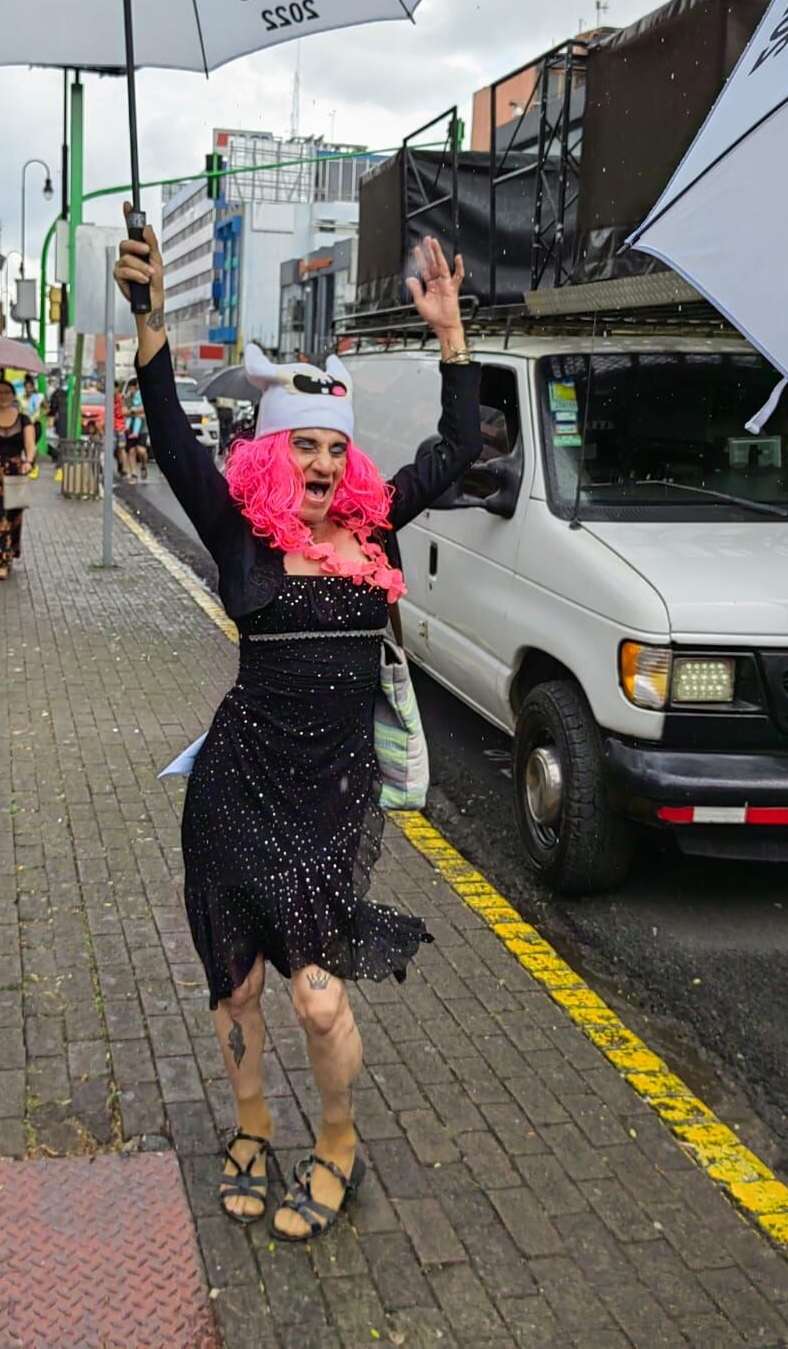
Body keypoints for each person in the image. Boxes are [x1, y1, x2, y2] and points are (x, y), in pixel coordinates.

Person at [115, 215, 481, 1243]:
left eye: (335, 447)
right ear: (274, 456)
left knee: (319, 998)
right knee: (236, 988)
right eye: (303, 446)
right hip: (233, 792)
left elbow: (458, 445)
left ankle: (336, 1138)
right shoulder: (239, 538)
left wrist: (451, 331)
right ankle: (250, 1119)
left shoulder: (371, 529)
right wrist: (147, 315)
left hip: (327, 800)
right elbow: (171, 432)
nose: (322, 462)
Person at [0, 379, 36, 580]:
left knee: (14, 516)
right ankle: (2, 559)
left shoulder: (23, 419)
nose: (3, 396)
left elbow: (30, 445)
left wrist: (29, 461)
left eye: (7, 392)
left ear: (13, 395)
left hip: (16, 471)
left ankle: (11, 552)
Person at [125, 377, 149, 482]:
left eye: (133, 388)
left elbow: (146, 411)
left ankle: (143, 464)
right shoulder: (127, 398)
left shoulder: (144, 396)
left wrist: (134, 412)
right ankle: (134, 474)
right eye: (130, 388)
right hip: (130, 428)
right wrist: (135, 412)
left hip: (142, 428)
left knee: (141, 450)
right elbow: (123, 411)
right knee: (131, 451)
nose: (132, 390)